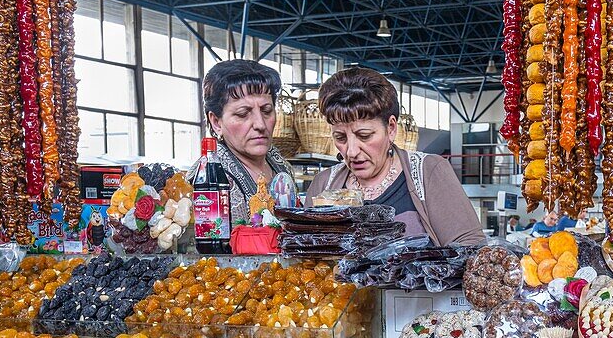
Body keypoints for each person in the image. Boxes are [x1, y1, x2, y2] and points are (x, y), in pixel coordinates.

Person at [305, 68, 484, 246]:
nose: (351, 151)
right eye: (340, 138)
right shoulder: (323, 184)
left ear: (391, 128)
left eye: (364, 136)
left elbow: (469, 245)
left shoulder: (429, 172)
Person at [201, 59, 297, 224]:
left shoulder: (280, 165)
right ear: (216, 122)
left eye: (267, 111)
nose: (260, 124)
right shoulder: (208, 179)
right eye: (243, 113)